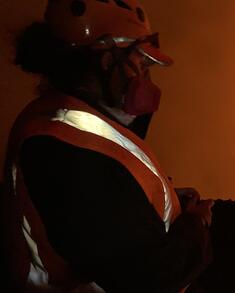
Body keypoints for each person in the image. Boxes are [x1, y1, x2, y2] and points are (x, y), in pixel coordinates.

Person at [0, 0, 214, 292]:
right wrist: (195, 224)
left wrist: (164, 204)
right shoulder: (65, 152)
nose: (145, 79)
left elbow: (103, 214)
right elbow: (150, 278)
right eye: (140, 63)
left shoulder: (65, 122)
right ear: (106, 61)